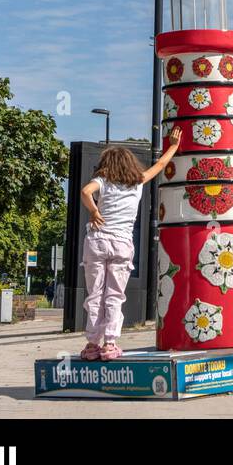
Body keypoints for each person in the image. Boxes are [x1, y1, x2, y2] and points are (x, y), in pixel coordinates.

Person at [78, 128, 182, 360]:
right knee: (114, 295)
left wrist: (94, 211)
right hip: (122, 243)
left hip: (97, 240)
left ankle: (92, 345)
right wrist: (174, 146)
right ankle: (110, 344)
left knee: (95, 294)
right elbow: (160, 165)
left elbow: (85, 192)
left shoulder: (102, 181)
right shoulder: (138, 182)